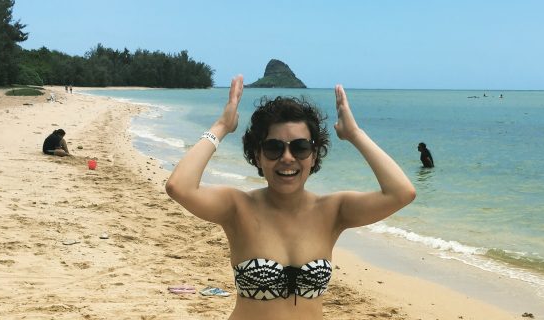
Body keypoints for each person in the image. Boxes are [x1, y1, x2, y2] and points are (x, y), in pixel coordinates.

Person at [166, 75, 416, 319]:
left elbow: (401, 193)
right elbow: (180, 186)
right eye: (274, 148)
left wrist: (355, 134)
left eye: (300, 147)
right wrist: (220, 127)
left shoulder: (333, 211)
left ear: (314, 155)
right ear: (258, 156)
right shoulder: (237, 207)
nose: (287, 157)